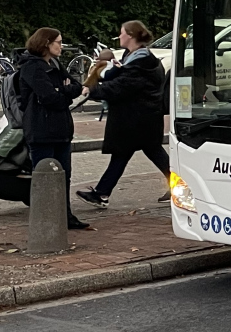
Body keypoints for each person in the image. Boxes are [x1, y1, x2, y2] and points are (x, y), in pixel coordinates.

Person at [75, 20, 170, 208]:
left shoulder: (139, 62)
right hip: (143, 119)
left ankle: (102, 194)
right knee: (146, 152)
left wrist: (93, 90)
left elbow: (121, 87)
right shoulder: (136, 57)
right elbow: (124, 80)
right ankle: (182, 186)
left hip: (136, 120)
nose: (119, 36)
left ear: (131, 36)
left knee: (125, 153)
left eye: (122, 33)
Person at [17, 27, 90, 230]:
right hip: (41, 130)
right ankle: (47, 220)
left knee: (64, 174)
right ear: (46, 43)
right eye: (58, 42)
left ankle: (65, 216)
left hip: (61, 129)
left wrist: (63, 90)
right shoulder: (33, 67)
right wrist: (64, 92)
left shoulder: (55, 64)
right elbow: (48, 97)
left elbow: (77, 86)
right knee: (46, 176)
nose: (61, 46)